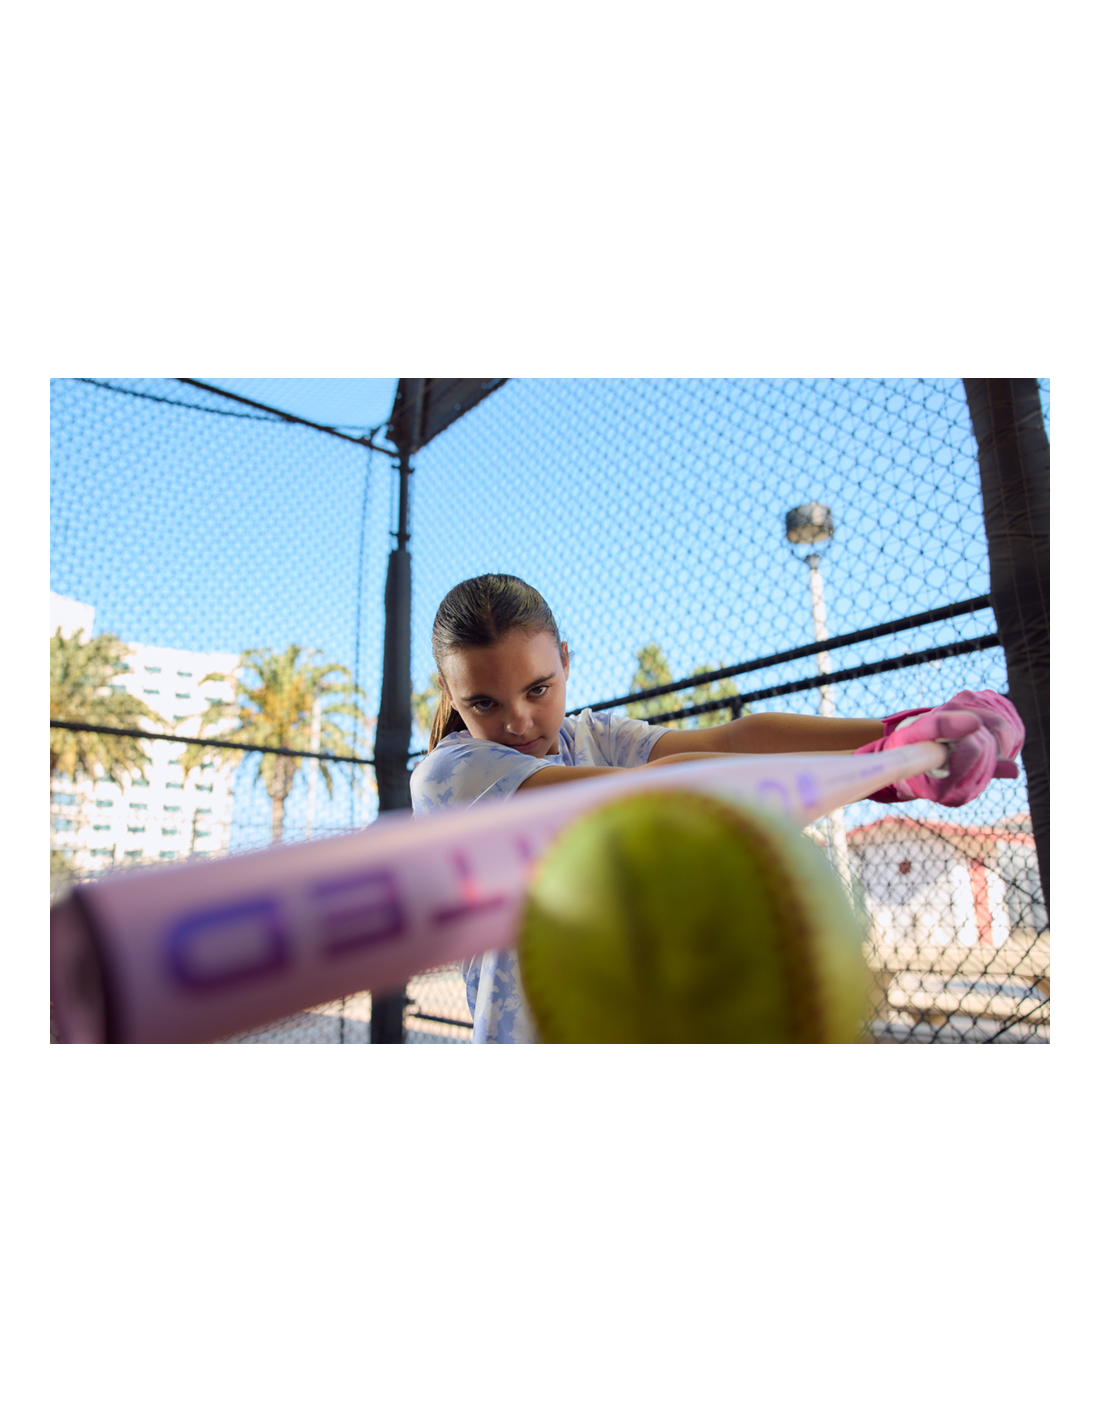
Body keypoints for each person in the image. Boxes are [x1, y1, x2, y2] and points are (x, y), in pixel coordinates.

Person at [410, 574, 1024, 1044]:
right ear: (449, 694)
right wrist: (884, 769)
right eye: (484, 702)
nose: (518, 720)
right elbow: (655, 798)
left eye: (538, 688)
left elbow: (735, 740)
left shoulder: (591, 737)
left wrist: (908, 732)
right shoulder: (451, 776)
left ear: (565, 661)